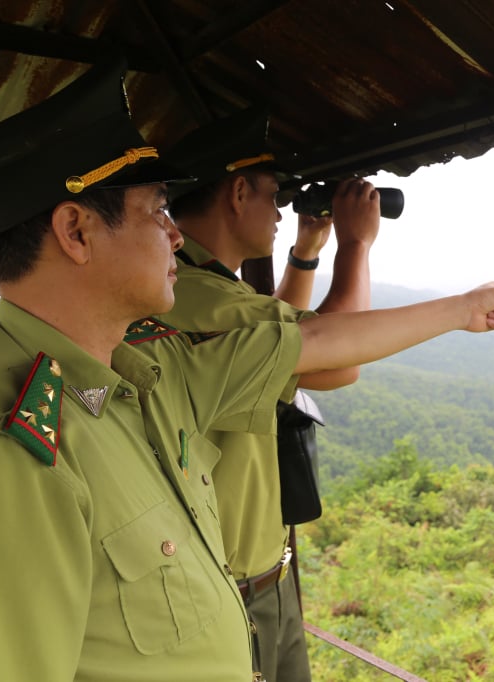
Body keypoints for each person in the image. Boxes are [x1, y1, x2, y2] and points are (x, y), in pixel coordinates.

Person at [0, 60, 494, 681]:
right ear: (76, 231)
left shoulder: (148, 368)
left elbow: (313, 343)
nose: (174, 235)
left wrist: (463, 309)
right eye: (156, 212)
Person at [160, 106, 378, 680]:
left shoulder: (200, 284)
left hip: (266, 576)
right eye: (274, 196)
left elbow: (278, 334)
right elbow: (337, 360)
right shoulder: (203, 298)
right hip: (236, 591)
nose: (282, 212)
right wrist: (356, 246)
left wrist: (307, 249)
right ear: (237, 193)